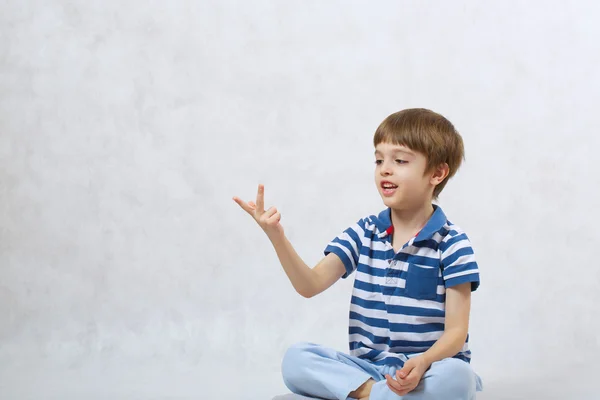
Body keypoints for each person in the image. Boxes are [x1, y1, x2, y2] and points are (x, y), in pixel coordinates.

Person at [233, 108, 483, 400]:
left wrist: (424, 361)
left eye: (400, 161)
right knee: (296, 358)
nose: (384, 170)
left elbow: (456, 333)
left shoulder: (452, 243)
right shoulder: (365, 232)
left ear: (437, 173)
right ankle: (373, 393)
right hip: (369, 369)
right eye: (379, 160)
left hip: (426, 370)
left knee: (458, 377)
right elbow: (309, 285)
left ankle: (363, 394)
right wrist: (277, 237)